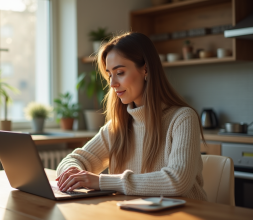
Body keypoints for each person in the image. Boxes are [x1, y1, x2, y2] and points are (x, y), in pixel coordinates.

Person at [56, 32, 207, 201]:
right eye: (110, 74)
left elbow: (178, 181)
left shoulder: (182, 119)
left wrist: (101, 181)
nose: (112, 84)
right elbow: (73, 159)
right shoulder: (118, 126)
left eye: (120, 72)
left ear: (145, 69)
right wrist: (73, 173)